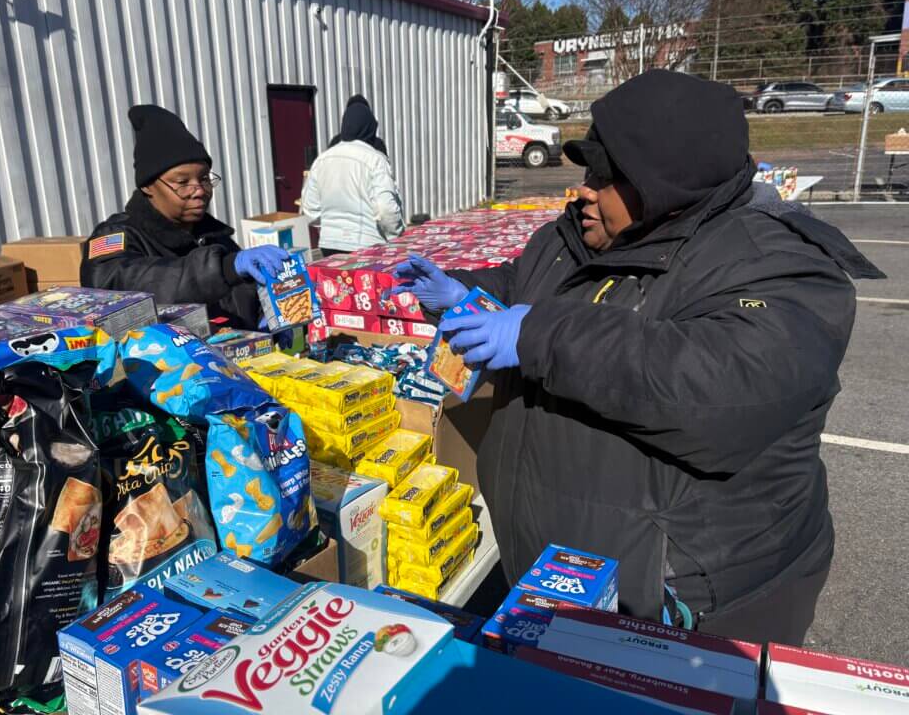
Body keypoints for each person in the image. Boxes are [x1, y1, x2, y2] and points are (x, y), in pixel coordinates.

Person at [393, 70, 883, 645]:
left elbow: (718, 387)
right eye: (588, 171)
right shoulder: (577, 234)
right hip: (563, 580)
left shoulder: (778, 263)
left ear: (665, 183)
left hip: (687, 605)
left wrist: (539, 334)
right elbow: (530, 290)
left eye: (607, 176)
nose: (584, 190)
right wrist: (461, 291)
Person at [81, 105, 289, 330]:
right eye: (182, 182)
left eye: (204, 179)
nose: (199, 190)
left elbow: (242, 301)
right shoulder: (116, 237)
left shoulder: (216, 240)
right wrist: (224, 269)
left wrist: (269, 311)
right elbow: (126, 283)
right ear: (148, 186)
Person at [301, 96, 404, 255]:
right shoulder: (375, 159)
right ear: (371, 128)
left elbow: (309, 207)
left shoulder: (322, 160)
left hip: (329, 246)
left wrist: (330, 229)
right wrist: (394, 236)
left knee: (333, 280)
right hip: (367, 245)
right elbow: (385, 208)